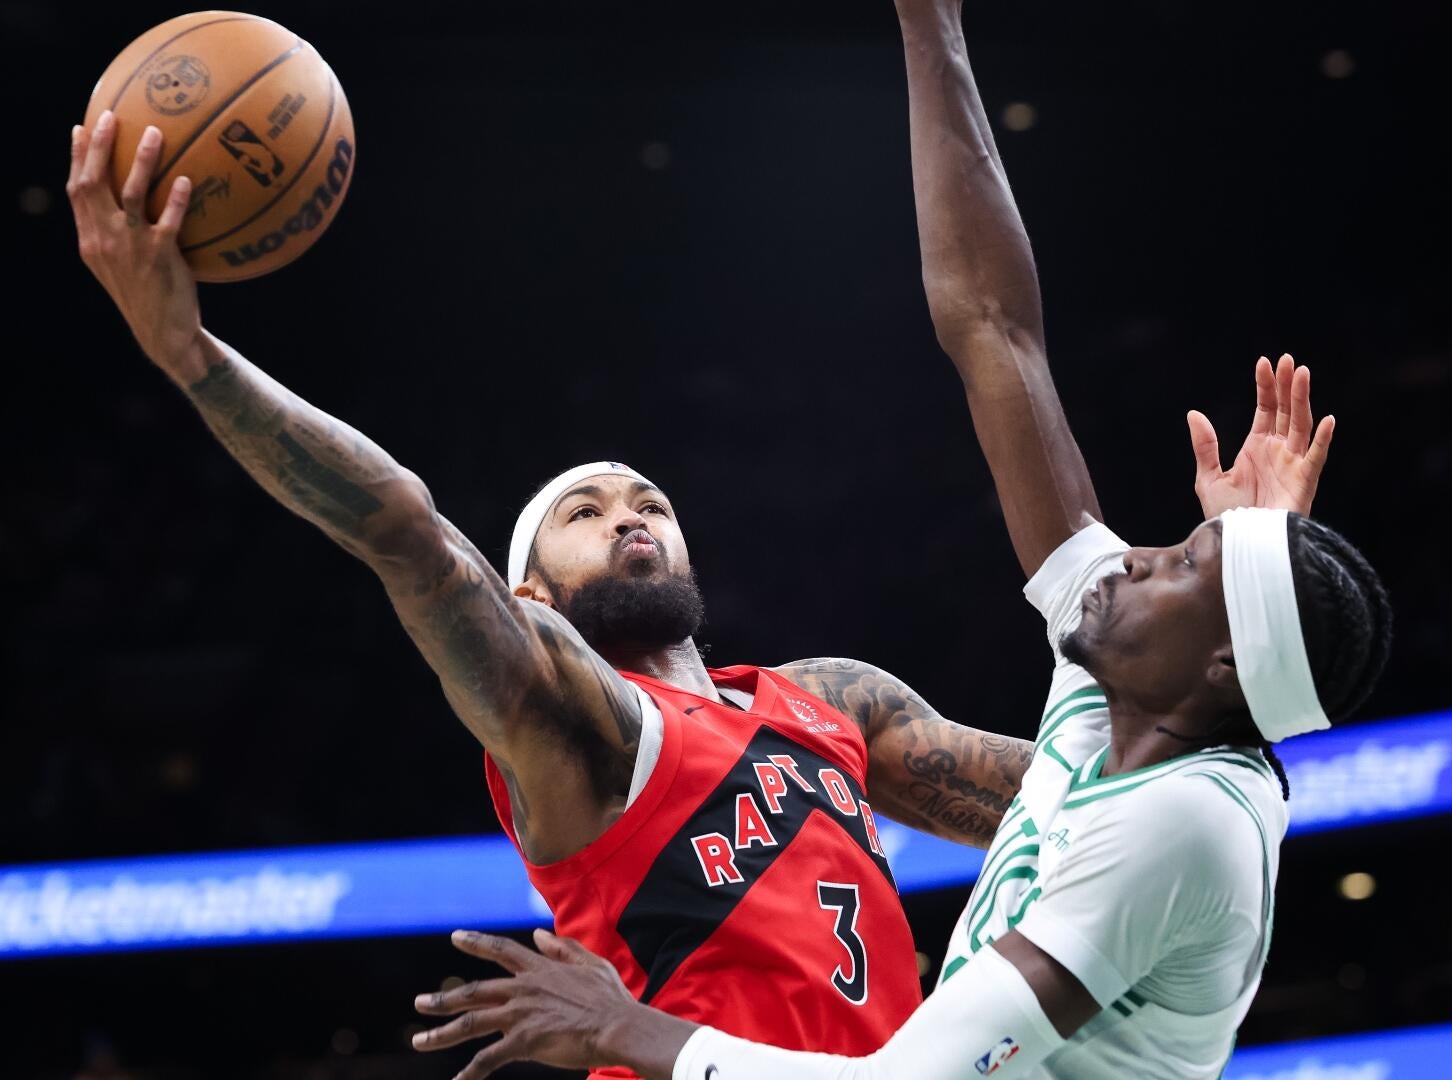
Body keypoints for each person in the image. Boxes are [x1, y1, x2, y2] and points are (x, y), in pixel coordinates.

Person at [402, 0, 1392, 1076]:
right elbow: (994, 327)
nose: (1136, 555)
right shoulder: (1131, 694)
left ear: (1218, 661)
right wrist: (934, 26)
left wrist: (624, 1029)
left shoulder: (1183, 821)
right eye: (585, 512)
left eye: (1182, 565)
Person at [64, 99, 1039, 1074]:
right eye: (585, 513)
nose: (629, 517)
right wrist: (193, 357)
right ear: (530, 599)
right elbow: (405, 531)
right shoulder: (578, 722)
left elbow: (1065, 799)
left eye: (649, 503)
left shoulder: (834, 699)